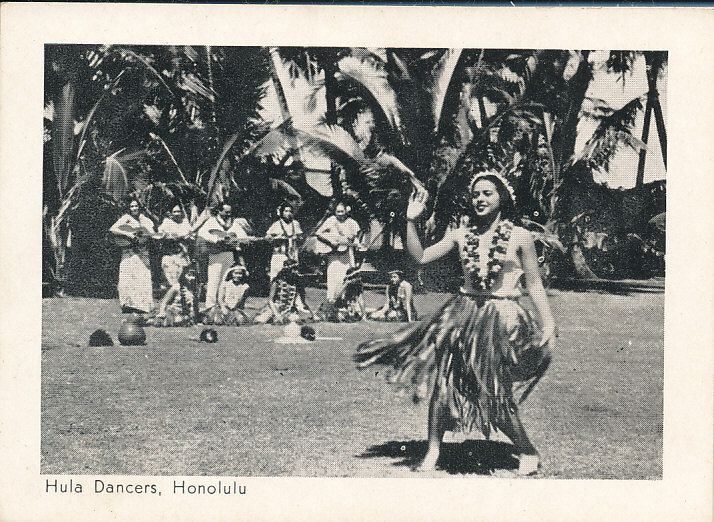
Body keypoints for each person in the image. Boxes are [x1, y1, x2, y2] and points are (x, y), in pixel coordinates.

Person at [354, 171, 556, 476]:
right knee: (444, 385)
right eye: (476, 194)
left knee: (493, 388)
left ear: (502, 197)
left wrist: (548, 322)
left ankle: (527, 449)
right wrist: (410, 221)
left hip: (502, 318)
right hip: (462, 314)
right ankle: (434, 449)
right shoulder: (462, 234)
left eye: (488, 193)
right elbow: (420, 256)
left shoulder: (519, 236)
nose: (480, 199)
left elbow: (535, 284)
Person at [198, 202, 251, 311]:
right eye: (226, 212)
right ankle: (210, 306)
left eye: (230, 212)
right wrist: (216, 239)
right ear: (219, 211)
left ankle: (224, 305)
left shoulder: (234, 222)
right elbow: (201, 233)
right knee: (214, 280)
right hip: (215, 254)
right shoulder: (211, 221)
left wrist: (239, 240)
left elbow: (242, 236)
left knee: (225, 280)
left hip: (229, 254)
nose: (228, 214)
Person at [109, 197, 157, 316]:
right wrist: (128, 234)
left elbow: (151, 232)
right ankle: (128, 305)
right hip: (129, 253)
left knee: (142, 277)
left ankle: (142, 305)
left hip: (142, 252)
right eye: (132, 206)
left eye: (136, 206)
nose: (134, 208)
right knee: (128, 278)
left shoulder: (144, 219)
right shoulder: (126, 218)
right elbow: (113, 229)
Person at [315, 201, 362, 301]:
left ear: (346, 211)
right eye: (337, 211)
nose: (340, 214)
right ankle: (332, 303)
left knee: (346, 278)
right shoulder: (330, 220)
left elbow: (355, 237)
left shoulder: (351, 222)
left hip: (347, 255)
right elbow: (318, 233)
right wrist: (330, 241)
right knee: (332, 278)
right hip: (334, 255)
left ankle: (345, 303)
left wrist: (352, 239)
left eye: (342, 211)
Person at [254, 259, 313, 325]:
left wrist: (313, 314)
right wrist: (277, 314)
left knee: (294, 320)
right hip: (274, 308)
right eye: (293, 269)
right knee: (260, 321)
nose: (296, 271)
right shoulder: (277, 281)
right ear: (287, 270)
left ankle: (278, 319)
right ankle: (271, 318)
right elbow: (270, 300)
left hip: (288, 309)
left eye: (296, 269)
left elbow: (303, 300)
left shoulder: (297, 282)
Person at [157, 203, 192, 290]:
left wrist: (185, 237)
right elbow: (160, 235)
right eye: (174, 211)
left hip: (182, 255)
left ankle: (180, 300)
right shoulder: (166, 222)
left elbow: (191, 236)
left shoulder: (185, 223)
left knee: (183, 280)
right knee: (172, 281)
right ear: (171, 213)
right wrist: (171, 237)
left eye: (178, 211)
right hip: (170, 255)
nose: (176, 214)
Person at [265, 202, 303, 280]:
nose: (288, 213)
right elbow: (267, 237)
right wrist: (277, 238)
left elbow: (300, 237)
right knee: (276, 277)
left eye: (290, 211)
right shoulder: (276, 224)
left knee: (293, 277)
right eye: (286, 211)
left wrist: (298, 238)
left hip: (292, 254)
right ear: (282, 212)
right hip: (279, 254)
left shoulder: (295, 224)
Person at [154, 262, 200, 327]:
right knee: (175, 318)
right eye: (189, 275)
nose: (191, 278)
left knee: (189, 318)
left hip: (186, 312)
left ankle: (182, 320)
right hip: (174, 310)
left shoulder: (195, 289)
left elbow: (194, 305)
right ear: (184, 275)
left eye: (193, 275)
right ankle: (164, 319)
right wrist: (162, 312)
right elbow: (164, 302)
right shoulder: (176, 287)